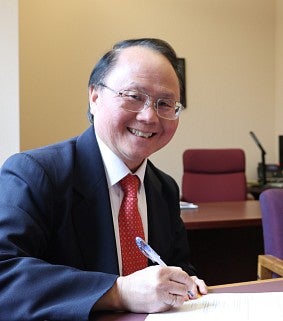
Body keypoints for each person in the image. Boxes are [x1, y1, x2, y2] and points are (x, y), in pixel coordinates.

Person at [0, 38, 207, 321]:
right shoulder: (34, 173)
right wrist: (117, 292)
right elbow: (5, 273)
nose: (149, 116)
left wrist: (185, 283)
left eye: (165, 103)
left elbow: (176, 265)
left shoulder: (164, 188)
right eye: (134, 96)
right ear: (94, 97)